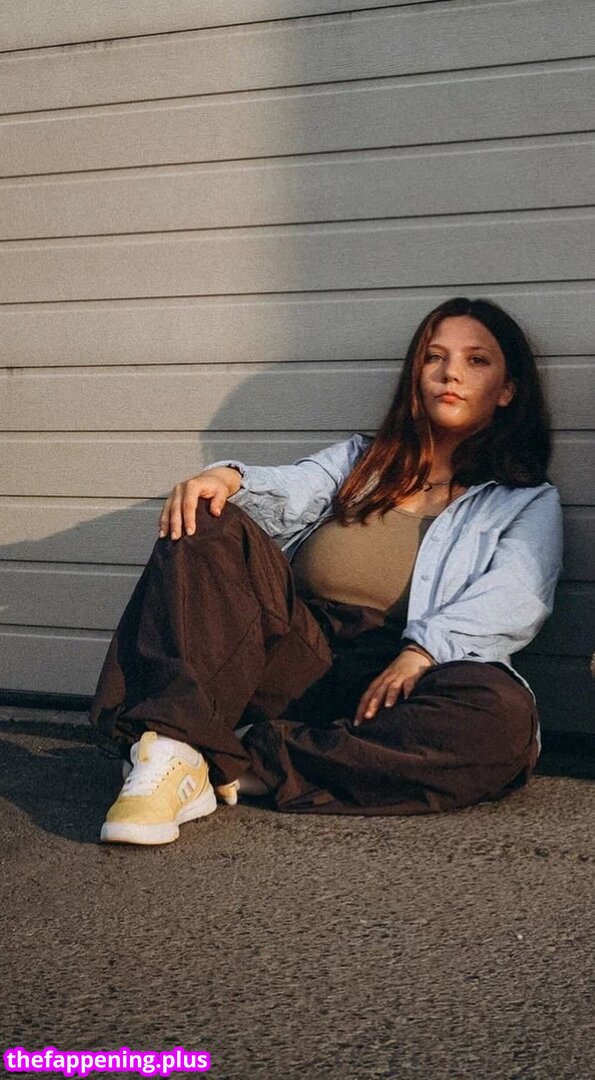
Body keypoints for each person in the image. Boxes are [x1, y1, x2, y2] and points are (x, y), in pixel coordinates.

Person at [89, 296, 563, 844]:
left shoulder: (525, 500)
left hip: (405, 677)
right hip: (299, 655)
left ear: (507, 390)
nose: (450, 373)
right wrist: (229, 478)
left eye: (476, 360)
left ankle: (247, 763)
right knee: (208, 517)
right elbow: (294, 486)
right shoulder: (362, 461)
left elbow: (516, 594)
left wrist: (424, 652)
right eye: (434, 357)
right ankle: (172, 748)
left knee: (502, 718)